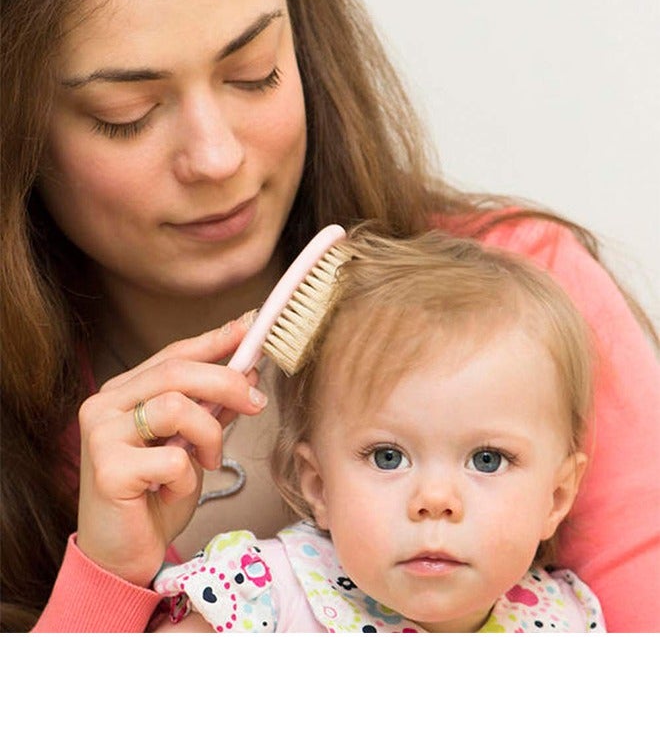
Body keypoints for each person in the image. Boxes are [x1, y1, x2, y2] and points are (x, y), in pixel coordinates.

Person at [0, 0, 657, 633]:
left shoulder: (528, 301)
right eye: (128, 113)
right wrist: (103, 582)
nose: (217, 157)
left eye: (254, 74)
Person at [152, 229, 605, 633]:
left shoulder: (566, 620)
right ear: (320, 485)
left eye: (487, 459)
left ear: (557, 497)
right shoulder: (263, 597)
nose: (434, 501)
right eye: (388, 456)